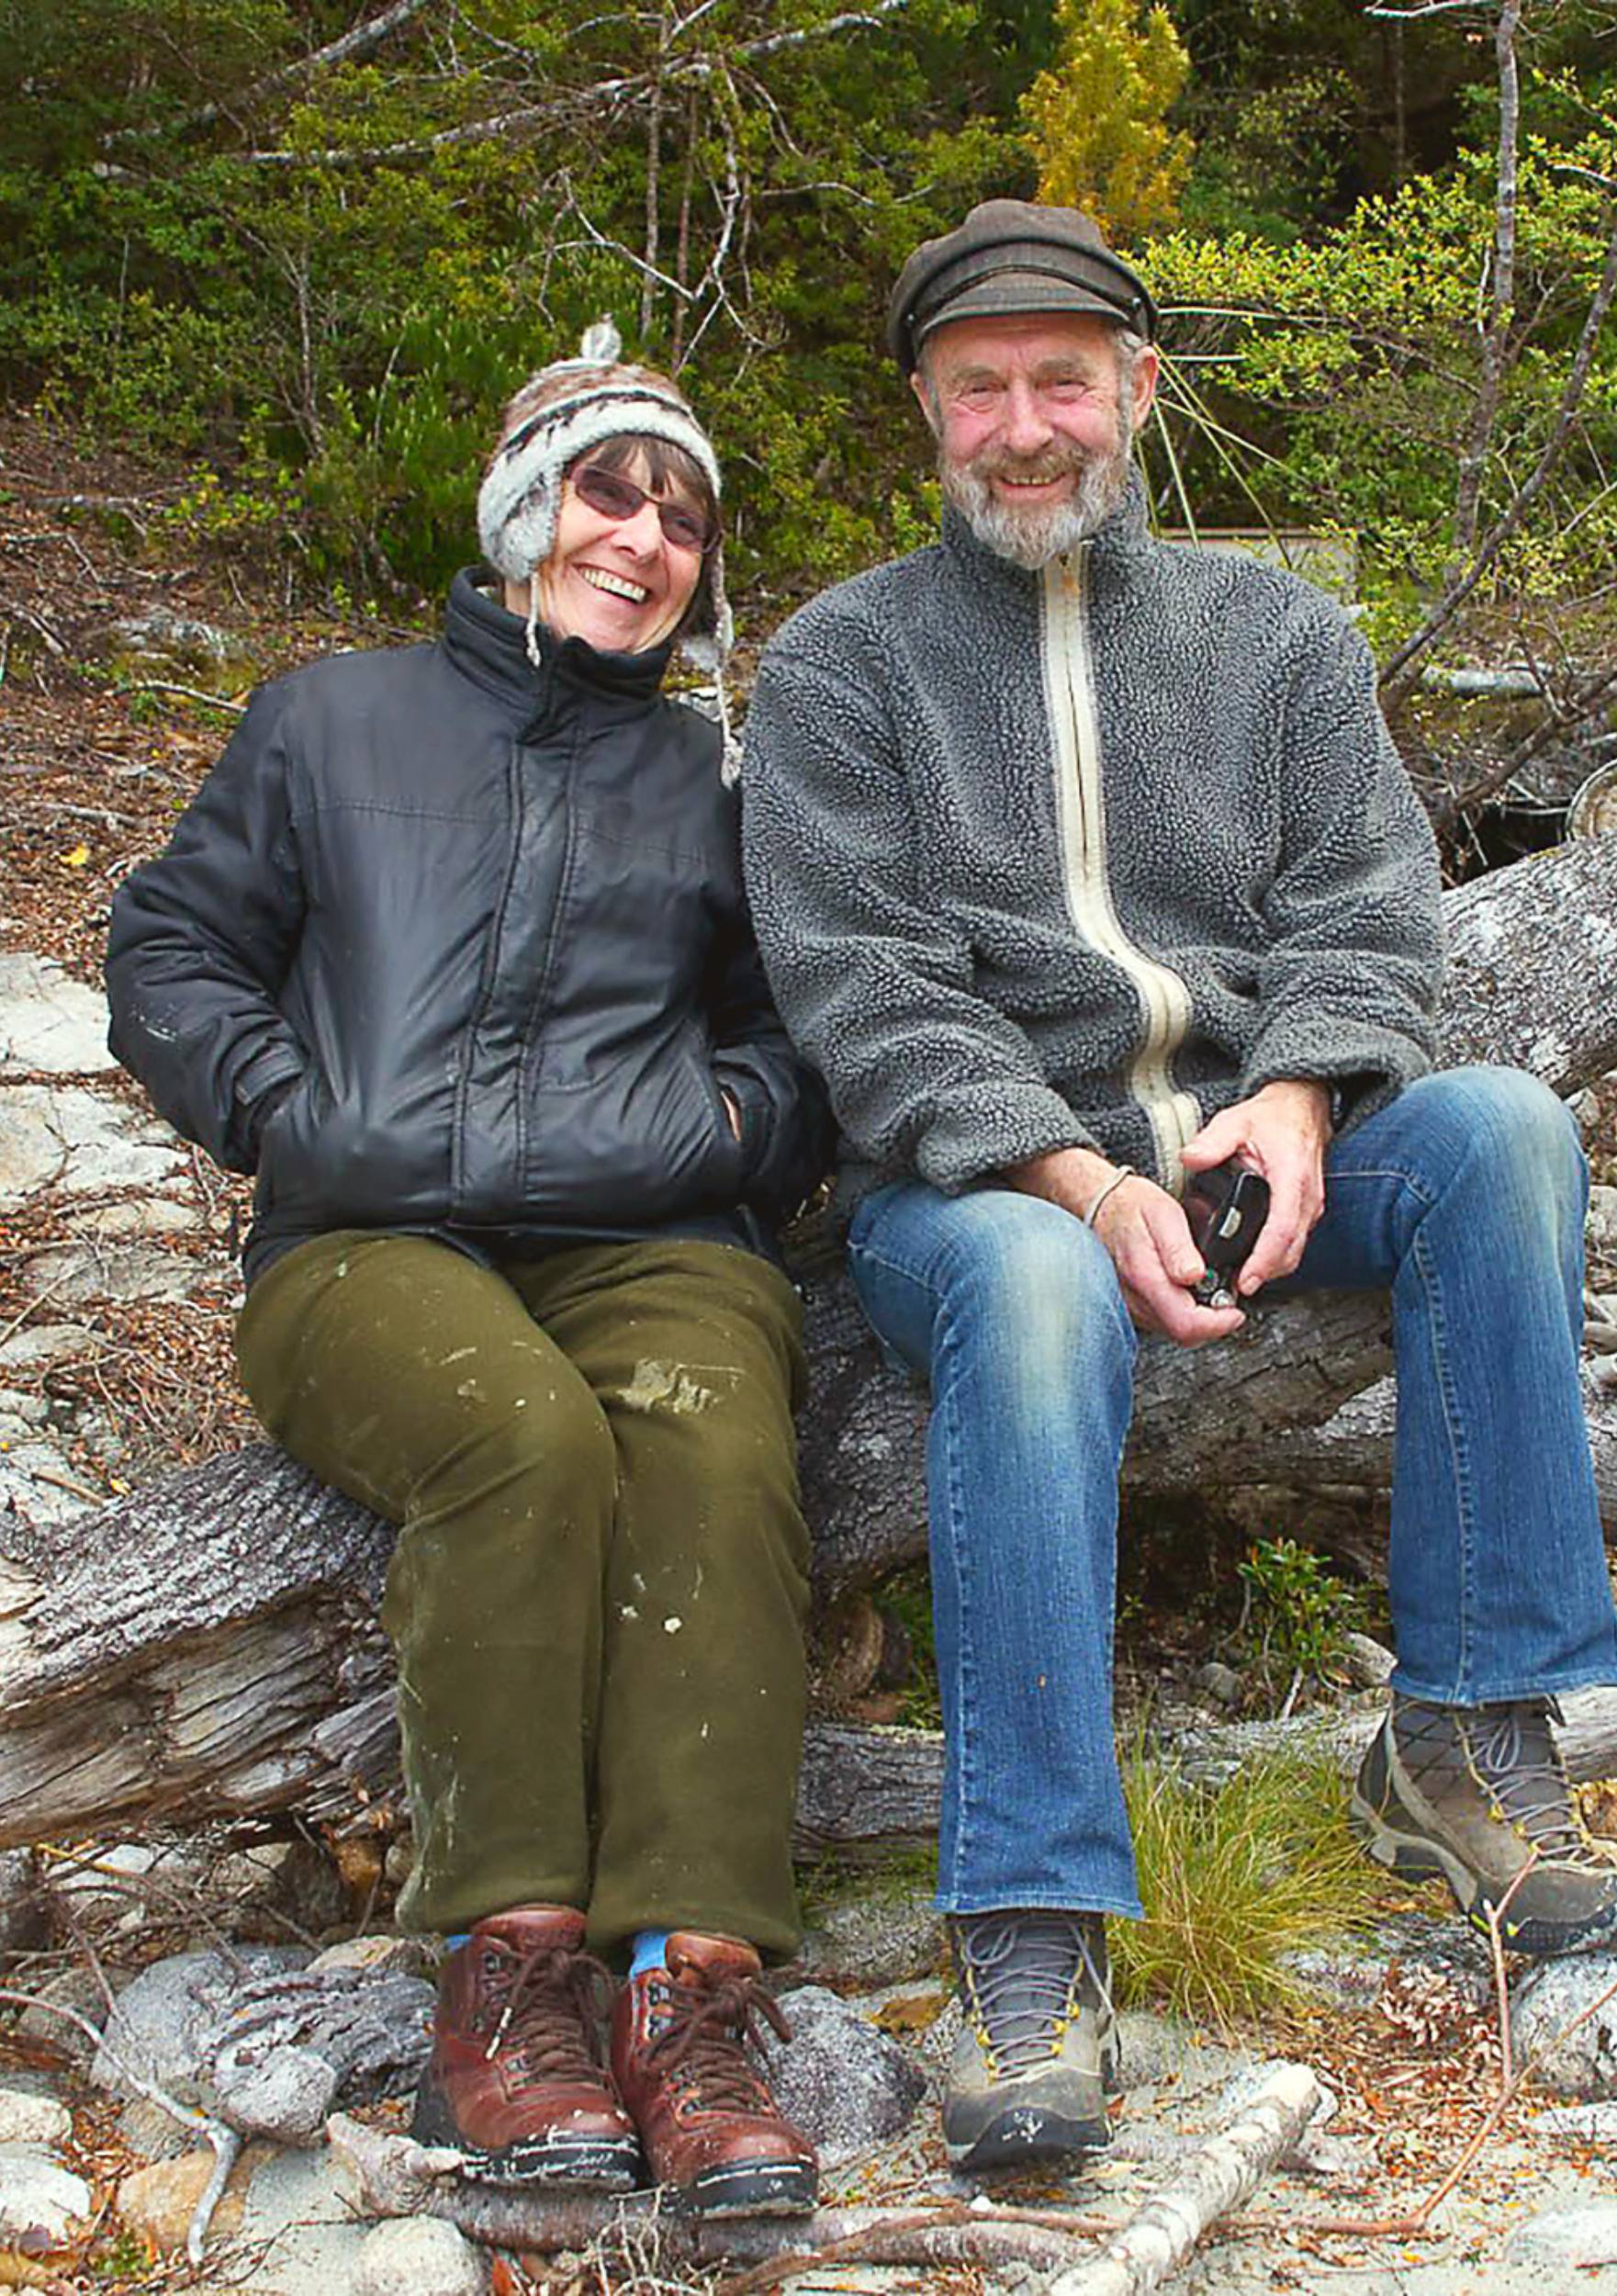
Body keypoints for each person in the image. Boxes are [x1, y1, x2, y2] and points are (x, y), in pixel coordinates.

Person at [739, 201, 1617, 2175]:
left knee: (1501, 1128)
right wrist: (1068, 1169)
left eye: (1063, 376)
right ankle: (1031, 1936)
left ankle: (1471, 1743)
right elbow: (854, 984)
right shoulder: (839, 666)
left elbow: (1370, 906)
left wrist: (1310, 1096)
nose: (1023, 423)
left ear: (1138, 390)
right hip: (973, 1179)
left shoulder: (1279, 636)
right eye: (978, 386)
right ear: (924, 410)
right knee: (1039, 1285)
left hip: (1251, 1140)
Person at [106, 325, 830, 2218]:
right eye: (612, 487)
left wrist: (731, 1140)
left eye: (684, 512)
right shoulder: (330, 718)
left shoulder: (712, 771)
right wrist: (284, 1101)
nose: (647, 535)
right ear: (528, 508)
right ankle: (510, 1977)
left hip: (651, 1229)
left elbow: (787, 1039)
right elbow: (173, 946)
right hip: (365, 1238)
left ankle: (695, 1987)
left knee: (712, 1438)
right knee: (519, 1439)